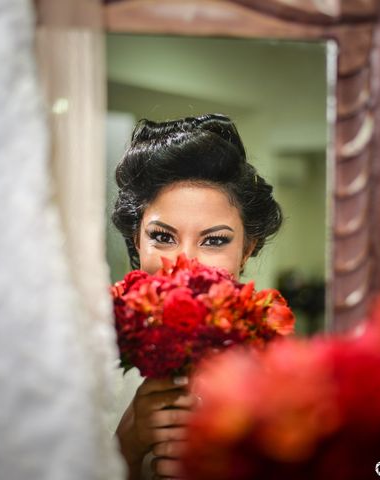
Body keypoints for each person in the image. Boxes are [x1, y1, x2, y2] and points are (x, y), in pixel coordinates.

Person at [110, 113, 284, 479]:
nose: (185, 262)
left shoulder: (285, 378)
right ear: (136, 239)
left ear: (248, 248)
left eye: (214, 240)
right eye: (163, 236)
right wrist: (128, 441)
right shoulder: (89, 363)